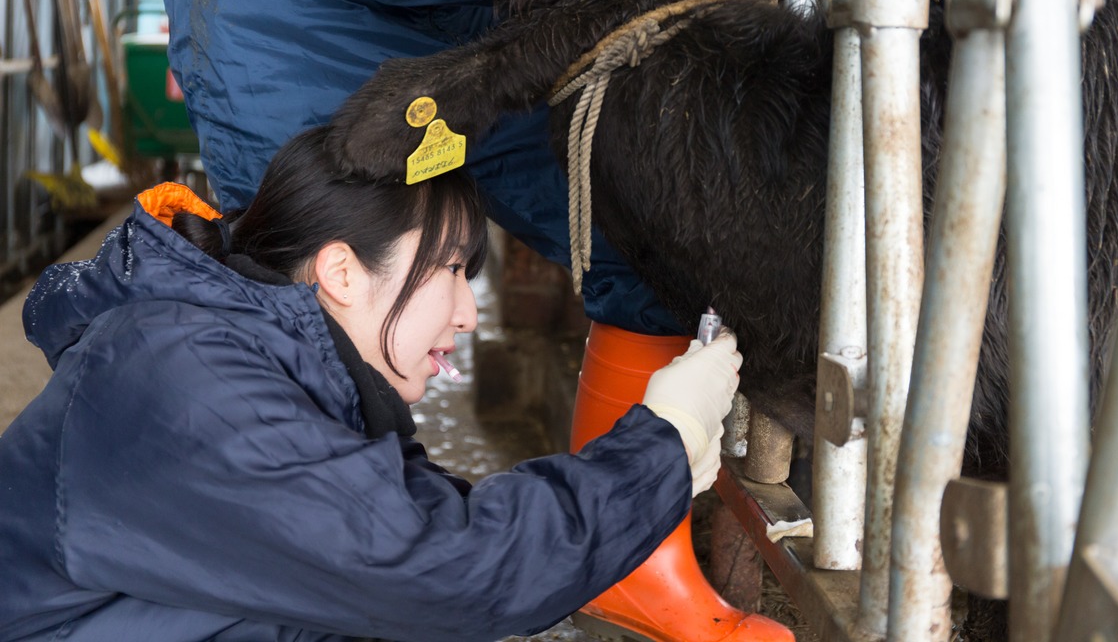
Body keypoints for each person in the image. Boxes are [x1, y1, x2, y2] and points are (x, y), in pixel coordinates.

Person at [0, 124, 750, 642]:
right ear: (341, 271)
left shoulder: (249, 358)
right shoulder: (184, 376)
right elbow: (443, 565)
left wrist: (657, 466)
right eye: (451, 270)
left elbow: (409, 527)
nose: (466, 313)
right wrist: (665, 443)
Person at [160, 0, 685, 336]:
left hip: (445, 12)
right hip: (289, 34)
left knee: (645, 246)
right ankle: (315, 449)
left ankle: (669, 436)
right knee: (318, 316)